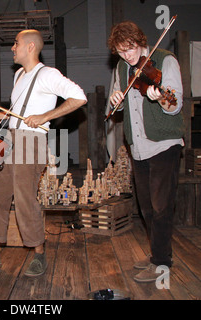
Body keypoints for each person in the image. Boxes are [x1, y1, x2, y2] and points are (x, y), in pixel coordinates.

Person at [0, 29, 87, 277]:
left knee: (25, 200)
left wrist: (45, 116)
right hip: (11, 139)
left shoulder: (48, 74)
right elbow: (17, 114)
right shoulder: (19, 74)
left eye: (16, 43)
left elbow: (79, 97)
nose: (12, 48)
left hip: (32, 142)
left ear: (30, 47)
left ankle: (39, 253)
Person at [107, 21, 184, 282]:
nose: (127, 56)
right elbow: (116, 107)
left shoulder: (165, 60)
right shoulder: (121, 68)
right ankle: (156, 254)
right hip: (138, 147)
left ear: (141, 41)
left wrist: (161, 97)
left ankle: (163, 263)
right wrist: (115, 101)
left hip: (163, 144)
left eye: (130, 49)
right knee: (147, 208)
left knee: (162, 207)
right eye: (121, 52)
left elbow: (174, 103)